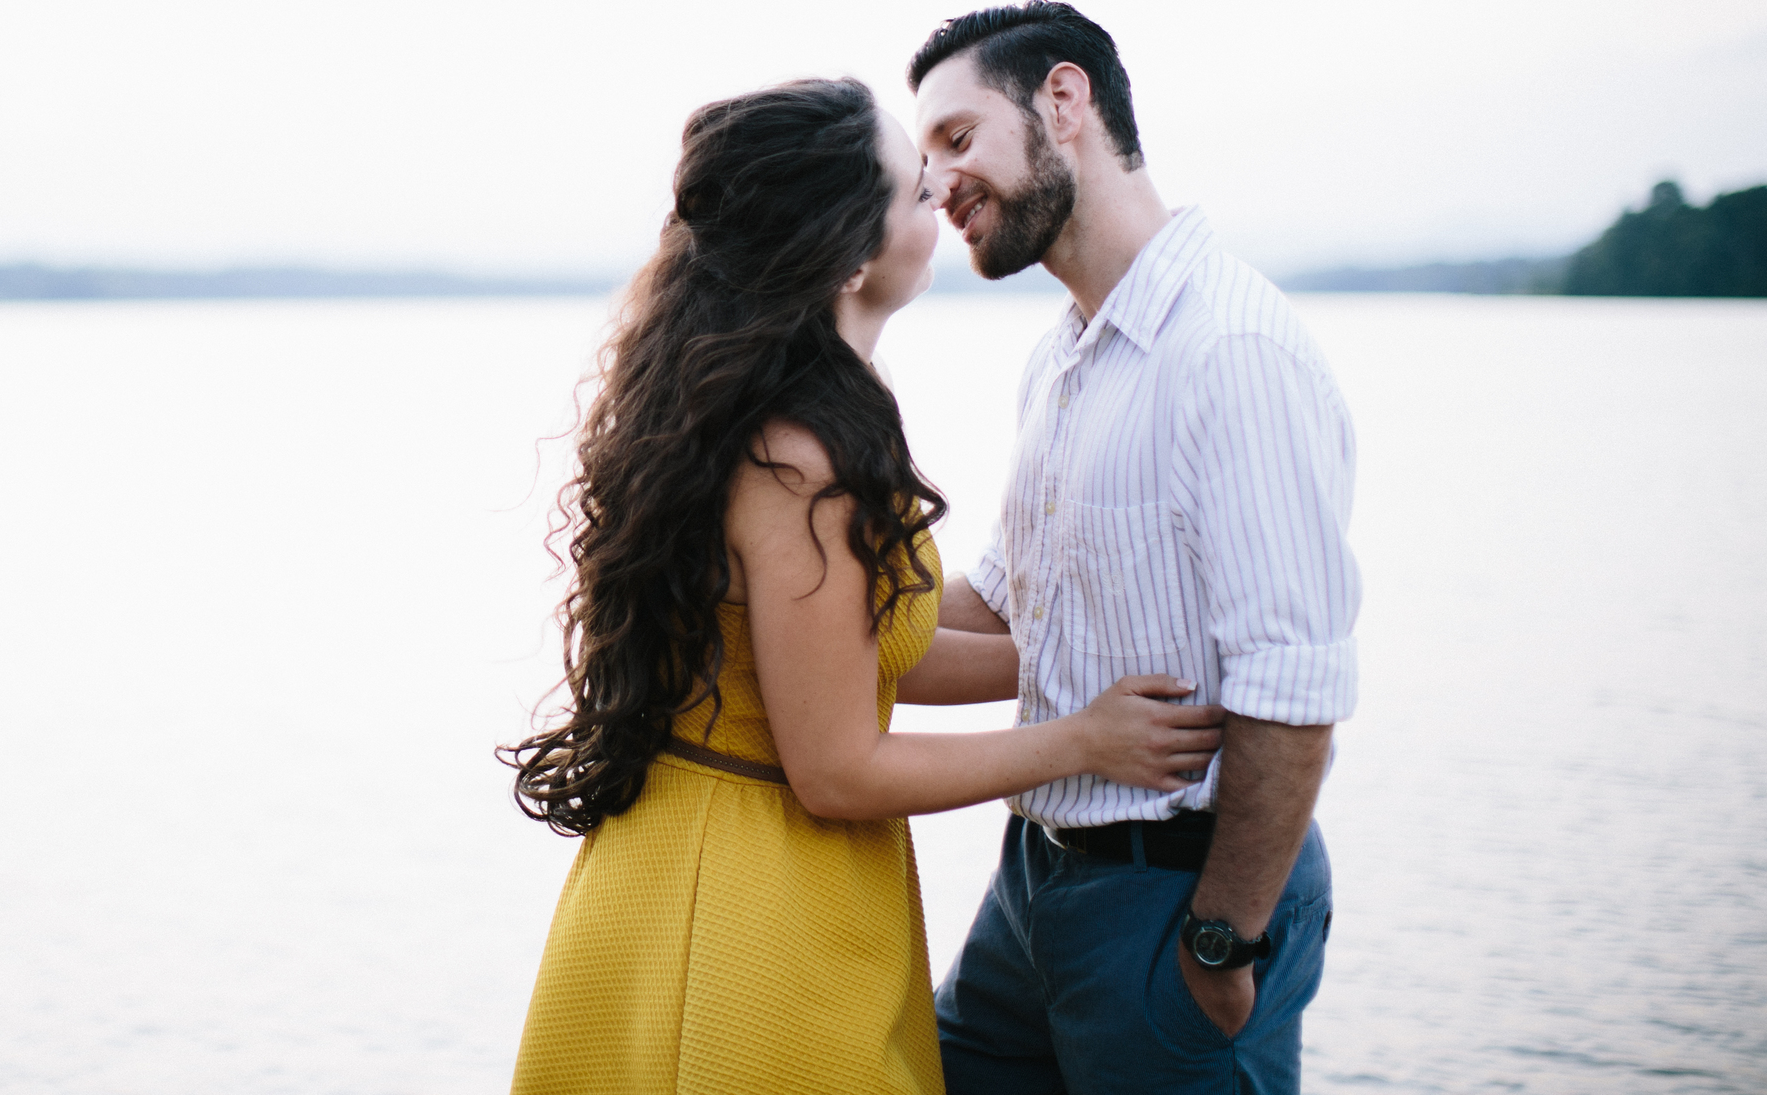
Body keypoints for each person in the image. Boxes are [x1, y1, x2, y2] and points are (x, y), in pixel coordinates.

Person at [501, 77, 1227, 1095]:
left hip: (739, 868)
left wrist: (1088, 662)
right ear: (847, 251)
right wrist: (1080, 740)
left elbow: (862, 656)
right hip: (741, 910)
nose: (939, 193)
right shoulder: (798, 452)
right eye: (908, 186)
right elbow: (836, 766)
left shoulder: (797, 406)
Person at [910, 1, 1360, 1093]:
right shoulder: (1062, 358)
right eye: (924, 161)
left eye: (957, 140)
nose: (936, 186)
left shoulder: (1229, 349)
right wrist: (777, 597)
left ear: (1063, 102)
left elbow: (1293, 687)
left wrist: (1219, 942)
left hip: (1179, 893)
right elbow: (1008, 605)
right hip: (1033, 881)